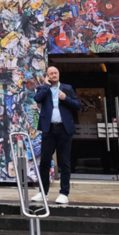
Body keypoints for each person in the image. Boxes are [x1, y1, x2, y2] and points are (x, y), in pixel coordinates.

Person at [32, 66, 80, 204]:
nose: (54, 75)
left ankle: (64, 193)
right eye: (51, 73)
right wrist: (46, 86)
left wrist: (65, 98)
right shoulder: (43, 88)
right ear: (47, 76)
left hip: (64, 129)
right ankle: (43, 192)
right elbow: (37, 98)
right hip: (49, 129)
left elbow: (77, 105)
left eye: (56, 73)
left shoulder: (67, 88)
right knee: (45, 162)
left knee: (64, 162)